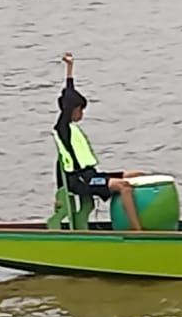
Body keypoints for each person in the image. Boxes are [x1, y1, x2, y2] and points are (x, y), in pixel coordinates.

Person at [54, 52, 145, 229]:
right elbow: (68, 99)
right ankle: (137, 230)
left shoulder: (73, 128)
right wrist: (68, 74)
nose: (82, 114)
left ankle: (143, 217)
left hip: (91, 175)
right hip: (80, 180)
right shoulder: (63, 128)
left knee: (137, 175)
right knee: (124, 186)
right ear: (72, 110)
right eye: (80, 110)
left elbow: (70, 92)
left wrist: (70, 68)